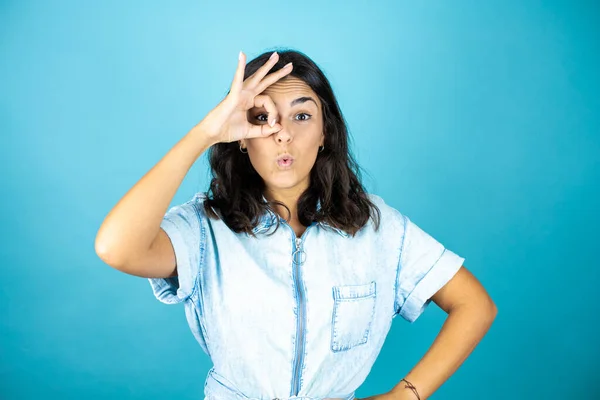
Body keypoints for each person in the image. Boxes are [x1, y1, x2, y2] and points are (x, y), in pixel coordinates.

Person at [95, 49, 497, 400]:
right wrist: (207, 132)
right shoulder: (204, 228)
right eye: (262, 118)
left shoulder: (378, 228)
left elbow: (474, 305)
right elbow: (116, 248)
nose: (283, 134)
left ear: (325, 132)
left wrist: (404, 397)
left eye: (302, 115)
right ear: (241, 136)